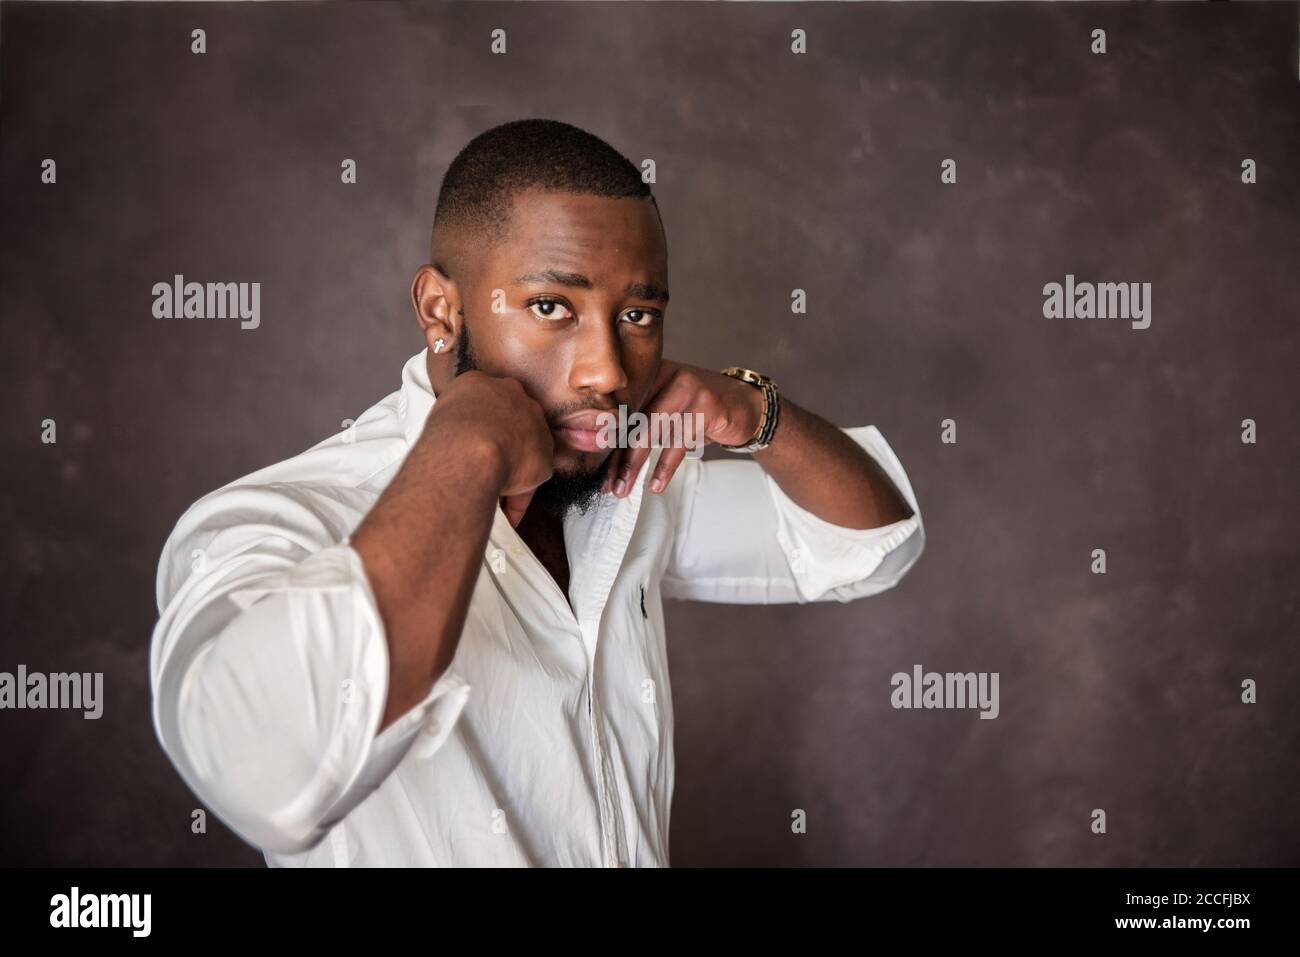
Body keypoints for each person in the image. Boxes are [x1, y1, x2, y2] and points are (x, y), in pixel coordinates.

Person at [149, 118, 926, 867]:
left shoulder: (628, 482)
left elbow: (874, 546)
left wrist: (756, 414)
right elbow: (263, 782)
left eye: (637, 315)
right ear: (440, 310)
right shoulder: (279, 519)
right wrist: (464, 446)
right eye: (552, 306)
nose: (608, 371)